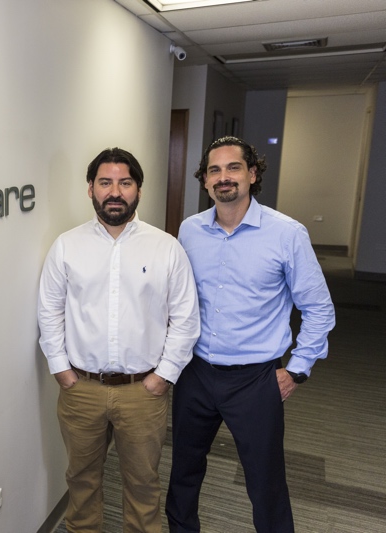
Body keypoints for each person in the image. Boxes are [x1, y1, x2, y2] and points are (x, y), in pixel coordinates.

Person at [165, 136, 336, 533]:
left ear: (252, 174)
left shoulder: (286, 234)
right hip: (195, 373)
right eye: (214, 170)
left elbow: (319, 308)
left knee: (265, 482)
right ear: (205, 180)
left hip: (255, 380)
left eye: (233, 167)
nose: (223, 177)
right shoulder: (189, 230)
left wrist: (297, 370)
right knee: (183, 473)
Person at [38, 147, 200, 532]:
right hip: (82, 388)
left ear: (139, 190)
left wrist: (164, 375)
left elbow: (186, 318)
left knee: (143, 484)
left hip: (142, 391)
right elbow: (49, 309)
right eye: (105, 183)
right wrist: (60, 368)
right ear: (90, 189)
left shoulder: (166, 247)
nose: (115, 192)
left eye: (125, 183)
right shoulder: (67, 246)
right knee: (81, 480)